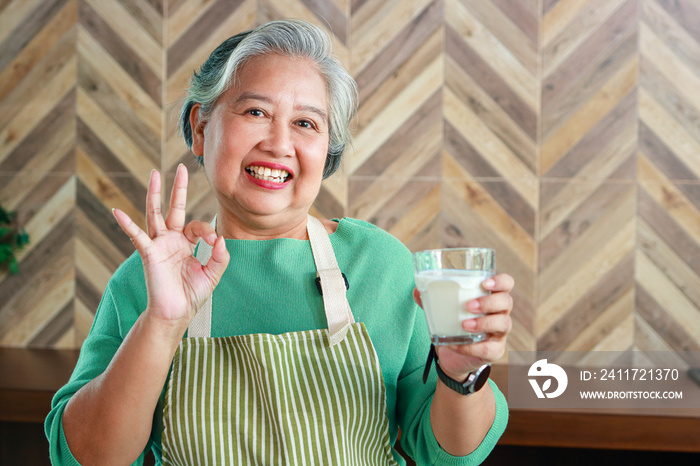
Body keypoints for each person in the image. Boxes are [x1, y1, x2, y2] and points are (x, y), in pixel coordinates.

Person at [45, 19, 513, 465]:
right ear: (203, 128)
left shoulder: (380, 264)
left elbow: (449, 453)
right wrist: (163, 324)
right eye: (256, 112)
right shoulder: (147, 282)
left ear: (326, 148)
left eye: (306, 124)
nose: (279, 143)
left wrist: (460, 376)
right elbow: (87, 457)